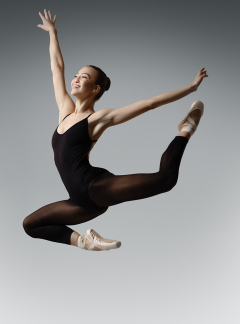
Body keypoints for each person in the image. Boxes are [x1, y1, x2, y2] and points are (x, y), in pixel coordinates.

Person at [23, 10, 208, 251]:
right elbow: (57, 67)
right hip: (80, 203)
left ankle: (185, 129)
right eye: (76, 75)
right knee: (31, 225)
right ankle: (84, 241)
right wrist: (53, 34)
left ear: (95, 88)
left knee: (165, 180)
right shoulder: (65, 110)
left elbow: (149, 103)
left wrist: (191, 88)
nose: (76, 79)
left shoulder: (97, 119)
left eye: (84, 77)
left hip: (95, 187)